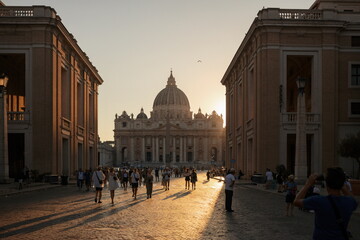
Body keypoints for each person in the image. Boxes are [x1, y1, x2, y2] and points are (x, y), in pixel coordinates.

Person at [294, 168, 358, 240]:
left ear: (327, 184)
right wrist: (342, 186)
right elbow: (354, 201)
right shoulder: (348, 202)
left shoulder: (319, 201)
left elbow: (296, 201)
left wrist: (307, 184)